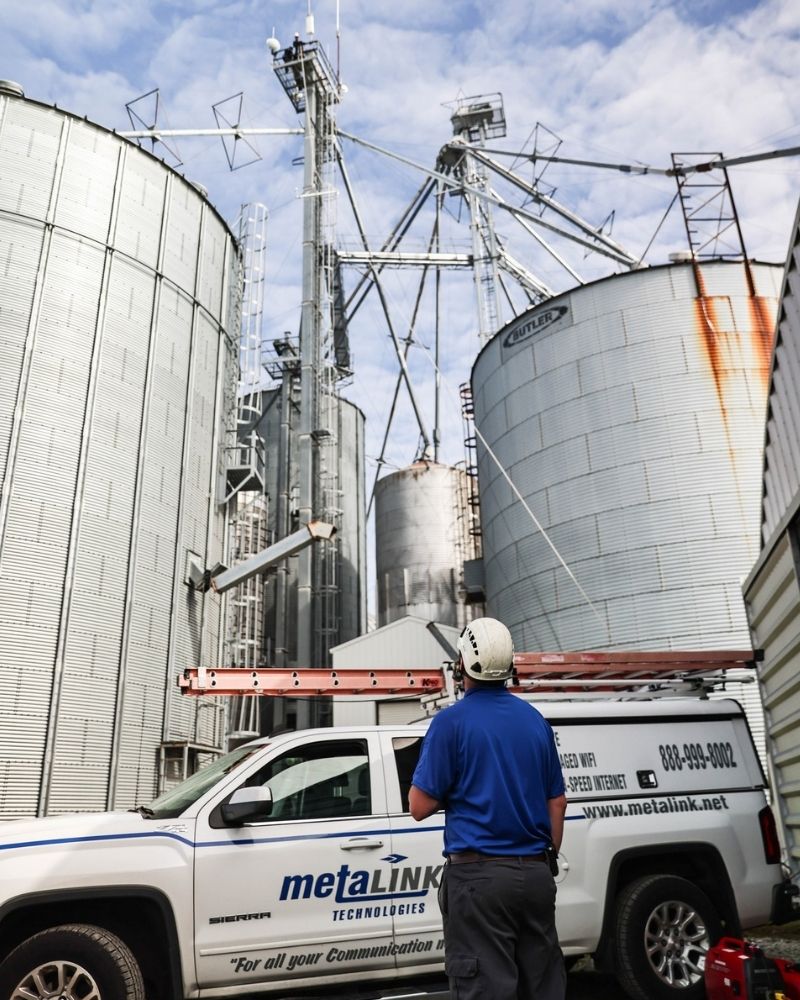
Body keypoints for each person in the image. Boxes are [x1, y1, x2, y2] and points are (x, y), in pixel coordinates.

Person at [409, 617, 567, 1000]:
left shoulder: (450, 723)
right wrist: (544, 860)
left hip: (479, 881)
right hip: (534, 876)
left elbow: (418, 804)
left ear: (461, 664)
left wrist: (460, 789)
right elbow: (557, 800)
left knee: (486, 987)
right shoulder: (534, 721)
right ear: (510, 666)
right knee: (543, 987)